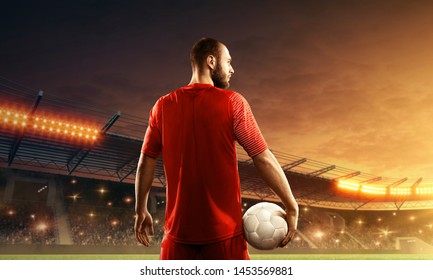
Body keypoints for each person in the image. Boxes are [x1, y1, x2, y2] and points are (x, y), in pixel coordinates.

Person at [135, 37, 298, 260]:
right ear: (211, 61)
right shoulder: (233, 102)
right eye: (228, 61)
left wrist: (139, 209)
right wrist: (291, 205)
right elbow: (262, 157)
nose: (232, 69)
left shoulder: (162, 106)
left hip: (176, 239)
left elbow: (147, 160)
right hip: (224, 238)